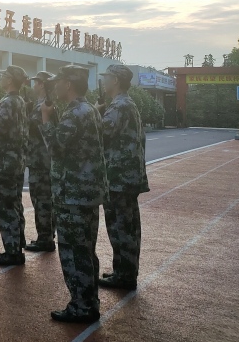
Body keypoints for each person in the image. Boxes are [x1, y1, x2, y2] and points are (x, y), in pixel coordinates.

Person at [40, 65, 108, 324]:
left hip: (73, 194)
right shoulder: (87, 109)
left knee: (73, 251)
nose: (55, 86)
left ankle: (81, 306)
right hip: (85, 193)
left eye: (58, 82)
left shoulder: (74, 113)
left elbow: (56, 147)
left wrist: (46, 120)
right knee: (86, 250)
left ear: (68, 84)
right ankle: (89, 302)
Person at [97, 64, 149, 290]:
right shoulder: (126, 104)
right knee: (126, 226)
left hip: (119, 178)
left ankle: (125, 276)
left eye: (106, 77)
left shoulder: (119, 106)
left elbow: (101, 136)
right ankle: (124, 271)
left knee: (121, 227)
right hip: (126, 176)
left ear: (116, 80)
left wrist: (96, 116)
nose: (103, 81)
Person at [0, 65, 29, 266]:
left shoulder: (8, 102)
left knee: (5, 206)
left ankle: (12, 251)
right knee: (15, 204)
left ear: (10, 80)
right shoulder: (18, 101)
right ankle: (17, 243)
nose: (0, 78)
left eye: (3, 76)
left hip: (3, 163)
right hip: (15, 160)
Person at [25, 71, 58, 252]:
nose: (33, 85)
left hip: (41, 161)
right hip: (40, 160)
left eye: (36, 82)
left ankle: (45, 238)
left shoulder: (43, 106)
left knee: (42, 200)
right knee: (44, 200)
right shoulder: (43, 104)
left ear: (42, 84)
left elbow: (31, 127)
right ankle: (47, 235)